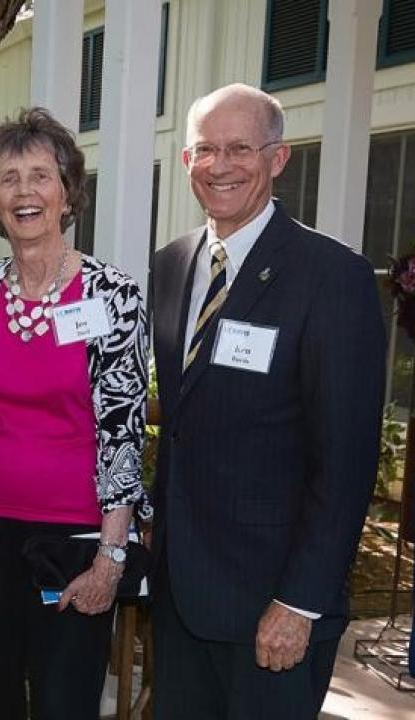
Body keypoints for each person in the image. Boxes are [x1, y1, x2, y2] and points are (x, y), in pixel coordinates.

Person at [151, 83, 385, 719]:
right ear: (186, 161)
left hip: (273, 605)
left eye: (239, 149)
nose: (220, 165)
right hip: (180, 596)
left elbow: (346, 460)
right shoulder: (170, 265)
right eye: (205, 149)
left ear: (278, 158)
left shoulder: (333, 276)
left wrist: (300, 601)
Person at [0, 107, 150, 719]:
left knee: (61, 702)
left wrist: (111, 557)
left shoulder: (113, 296)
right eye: (9, 179)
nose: (25, 191)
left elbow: (123, 431)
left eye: (40, 176)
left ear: (67, 192)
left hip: (72, 543)